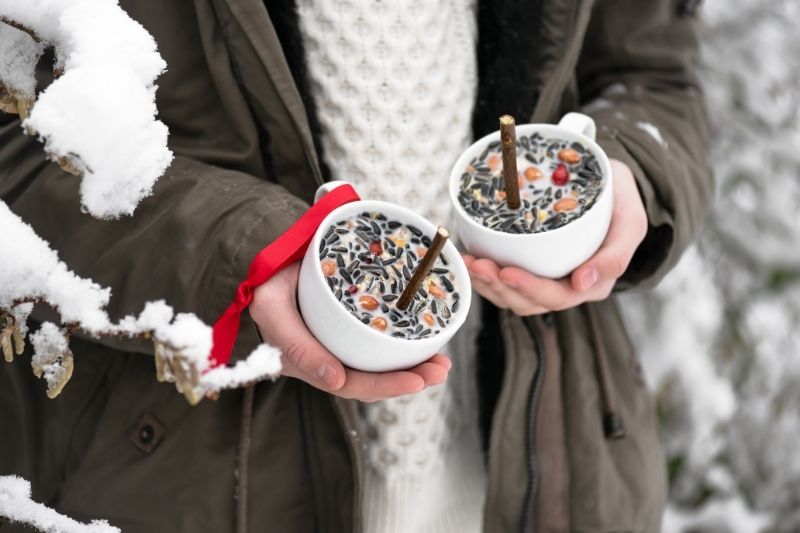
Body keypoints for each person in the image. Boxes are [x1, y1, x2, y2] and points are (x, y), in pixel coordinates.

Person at [0, 0, 712, 531]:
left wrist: (630, 172)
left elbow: (650, 72)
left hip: (545, 470)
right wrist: (240, 254)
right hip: (183, 480)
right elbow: (17, 137)